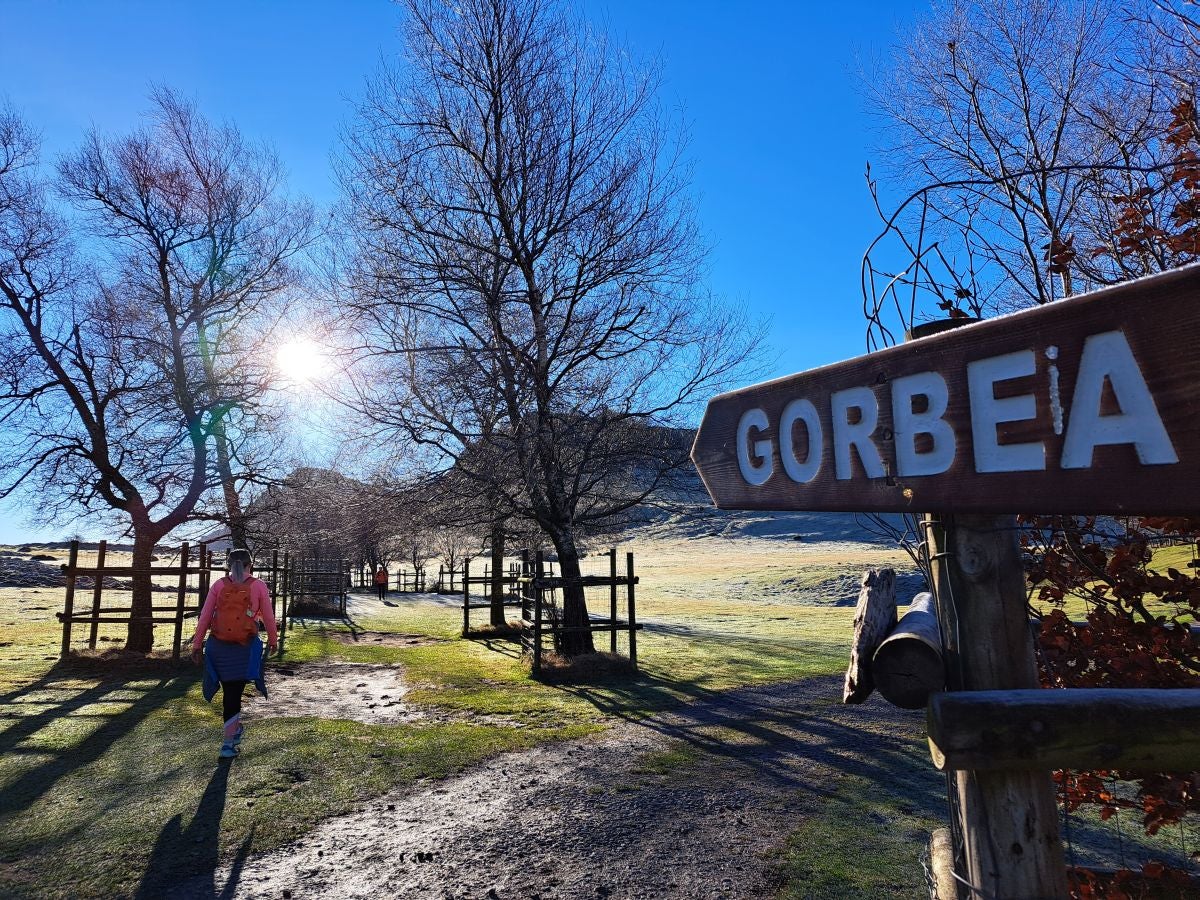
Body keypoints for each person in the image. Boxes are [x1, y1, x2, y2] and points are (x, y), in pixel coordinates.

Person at [191, 548, 277, 759]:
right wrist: (273, 640)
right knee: (234, 693)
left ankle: (234, 733)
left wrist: (196, 644)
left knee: (229, 692)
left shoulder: (219, 585)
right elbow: (268, 615)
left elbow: (205, 616)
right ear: (251, 565)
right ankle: (228, 742)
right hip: (244, 647)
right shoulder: (258, 586)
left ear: (228, 565)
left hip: (218, 647)